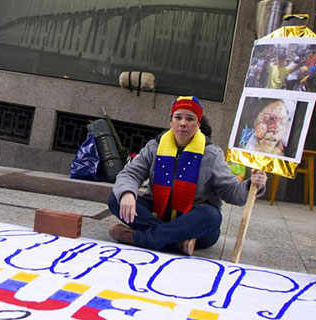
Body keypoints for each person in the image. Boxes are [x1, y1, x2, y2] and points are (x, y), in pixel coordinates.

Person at [108, 96, 267, 255]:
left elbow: (232, 192)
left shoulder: (211, 153)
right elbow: (130, 174)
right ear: (171, 122)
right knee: (116, 198)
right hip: (157, 211)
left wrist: (251, 185)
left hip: (191, 219)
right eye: (178, 117)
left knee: (211, 216)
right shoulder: (154, 146)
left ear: (198, 124)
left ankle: (141, 238)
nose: (183, 123)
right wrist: (127, 193)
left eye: (190, 119)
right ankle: (177, 242)